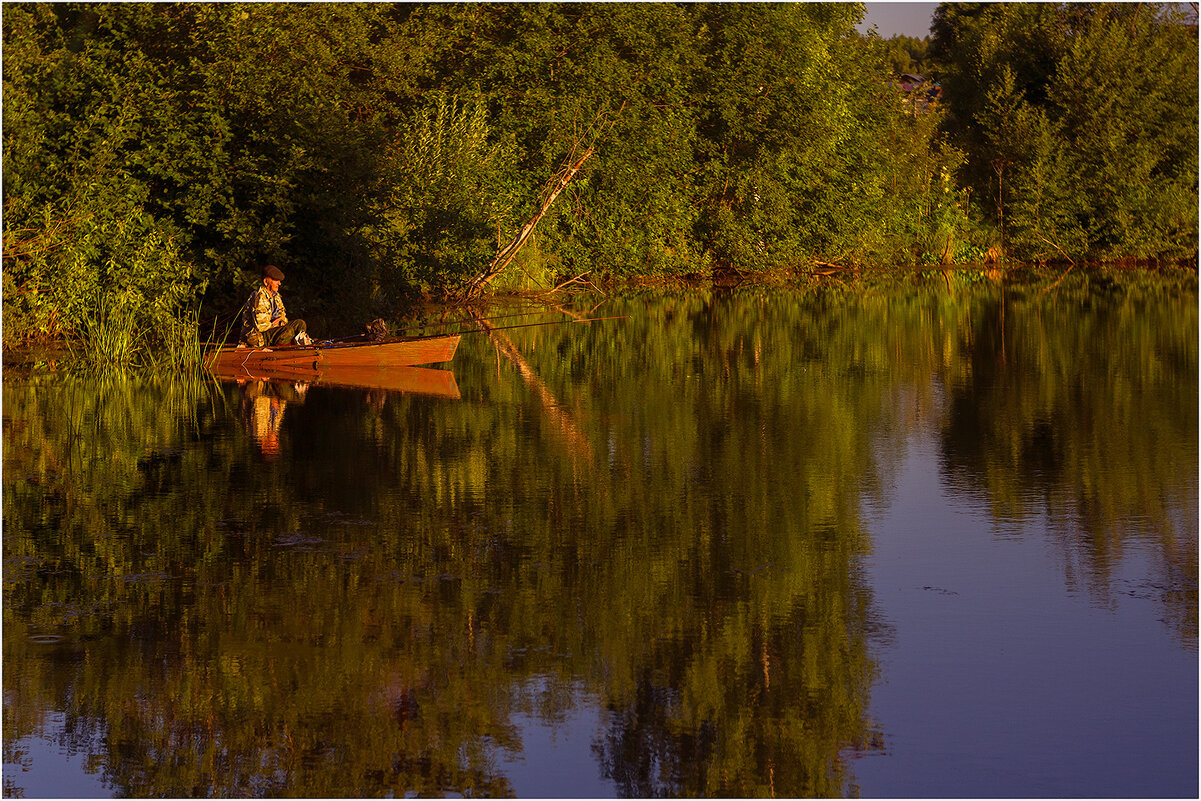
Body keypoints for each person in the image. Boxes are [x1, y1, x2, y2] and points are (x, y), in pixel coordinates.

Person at [240, 265, 311, 347]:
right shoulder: (259, 296)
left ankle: (299, 343)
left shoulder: (276, 296)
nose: (279, 283)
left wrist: (280, 322)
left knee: (300, 323)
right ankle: (285, 350)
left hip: (273, 330)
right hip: (259, 335)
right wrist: (273, 325)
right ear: (266, 282)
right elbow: (260, 326)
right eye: (276, 280)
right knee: (288, 331)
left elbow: (283, 317)